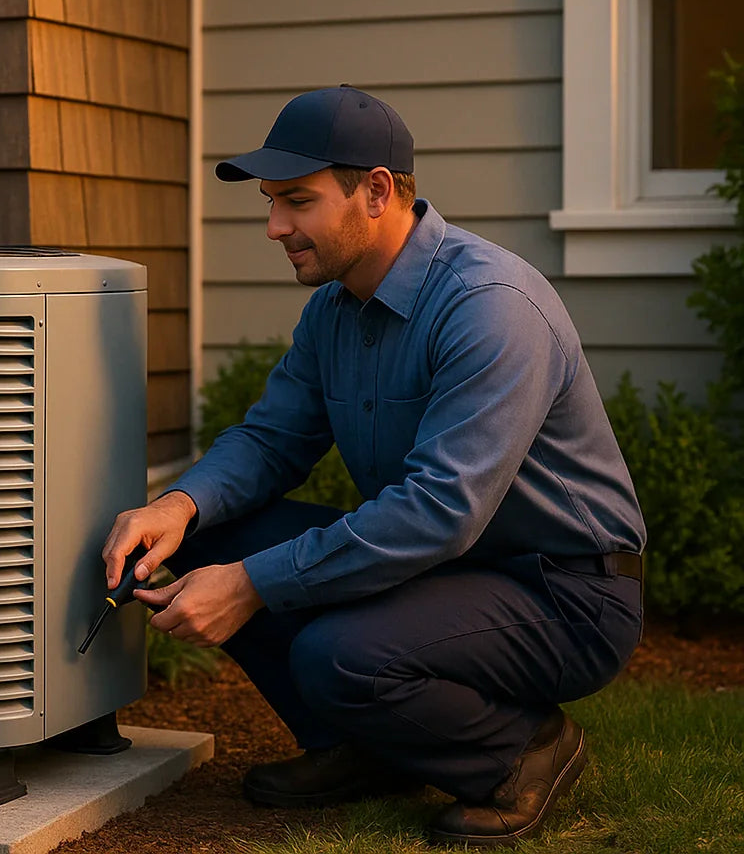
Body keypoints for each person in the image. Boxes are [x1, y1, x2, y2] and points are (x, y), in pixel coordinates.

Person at [101, 86, 646, 847]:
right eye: (270, 202)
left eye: (297, 201)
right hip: (450, 572)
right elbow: (271, 440)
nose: (274, 226)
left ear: (377, 191)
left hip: (564, 590)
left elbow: (437, 512)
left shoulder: (489, 305)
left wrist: (255, 584)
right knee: (214, 539)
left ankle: (524, 753)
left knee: (338, 656)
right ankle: (367, 752)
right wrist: (180, 506)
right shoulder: (334, 309)